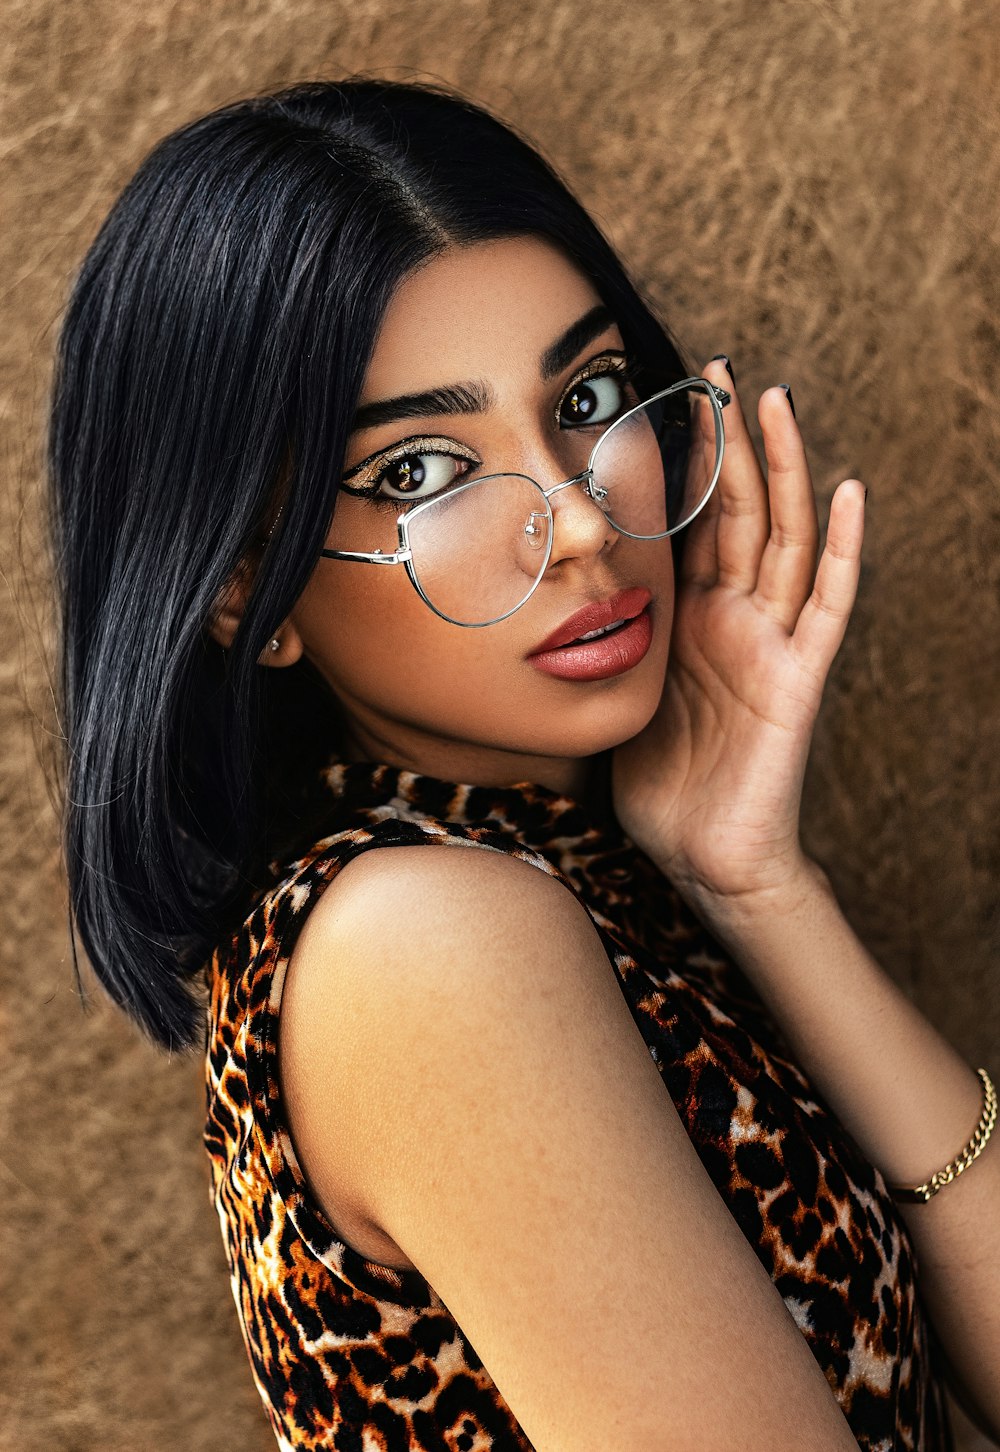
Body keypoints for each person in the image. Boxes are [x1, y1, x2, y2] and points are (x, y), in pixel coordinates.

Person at [44, 79, 998, 1452]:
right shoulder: (427, 947)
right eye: (423, 471)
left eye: (591, 396)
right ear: (251, 592)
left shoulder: (562, 871)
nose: (577, 525)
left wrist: (756, 884)